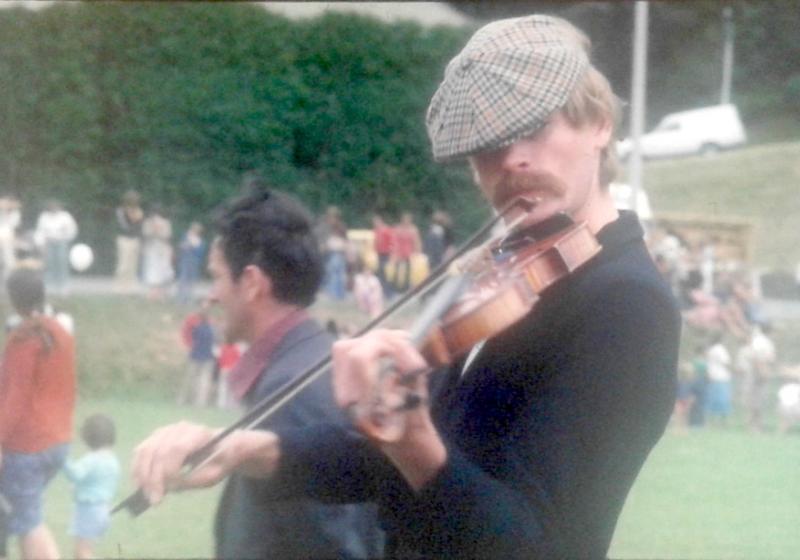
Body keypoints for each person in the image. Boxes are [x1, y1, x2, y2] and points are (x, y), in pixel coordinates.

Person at [131, 15, 680, 559]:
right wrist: (240, 448)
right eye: (489, 146)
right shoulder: (504, 274)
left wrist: (413, 442)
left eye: (536, 128)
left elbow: (538, 545)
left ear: (600, 123)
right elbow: (384, 460)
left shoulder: (627, 304)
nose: (512, 160)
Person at [154, 189, 382, 558]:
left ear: (252, 284)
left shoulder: (293, 391)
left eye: (216, 277)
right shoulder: (310, 360)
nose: (211, 295)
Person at [0, 268, 76, 560]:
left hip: (27, 446)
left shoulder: (23, 340)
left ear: (13, 299)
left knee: (28, 523)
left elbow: (15, 397)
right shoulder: (60, 333)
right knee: (26, 517)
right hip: (58, 442)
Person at [62, 414, 120, 560]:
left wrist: (62, 458)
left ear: (86, 438)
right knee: (81, 551)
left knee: (83, 553)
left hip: (88, 510)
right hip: (104, 510)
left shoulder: (91, 459)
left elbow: (75, 474)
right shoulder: (112, 460)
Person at [34, 199, 78, 296]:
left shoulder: (65, 216)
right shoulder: (44, 217)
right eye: (52, 206)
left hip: (61, 241)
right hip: (48, 242)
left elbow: (72, 229)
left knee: (62, 263)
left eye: (56, 206)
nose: (54, 208)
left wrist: (66, 237)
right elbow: (40, 231)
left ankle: (63, 286)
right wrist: (40, 244)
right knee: (49, 263)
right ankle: (49, 286)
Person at [177, 300, 216, 407]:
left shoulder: (211, 321)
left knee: (204, 380)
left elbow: (214, 336)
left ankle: (200, 402)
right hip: (195, 353)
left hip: (208, 354)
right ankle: (182, 399)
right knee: (190, 378)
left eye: (208, 307)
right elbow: (185, 333)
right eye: (204, 306)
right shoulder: (192, 319)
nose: (206, 309)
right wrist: (188, 346)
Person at [141, 205, 174, 299]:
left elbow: (167, 236)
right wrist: (153, 230)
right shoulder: (148, 222)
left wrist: (158, 230)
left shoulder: (166, 223)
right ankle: (153, 292)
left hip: (161, 248)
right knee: (152, 269)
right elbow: (146, 234)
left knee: (161, 269)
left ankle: (160, 292)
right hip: (152, 247)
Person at [114, 190, 144, 289]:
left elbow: (139, 225)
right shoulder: (121, 211)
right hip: (124, 239)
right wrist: (131, 215)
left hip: (135, 239)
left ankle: (130, 285)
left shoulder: (138, 211)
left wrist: (136, 217)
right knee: (123, 263)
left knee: (133, 264)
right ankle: (121, 285)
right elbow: (124, 226)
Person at [390, 211, 421, 293]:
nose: (406, 221)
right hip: (399, 252)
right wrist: (394, 252)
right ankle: (394, 287)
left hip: (409, 253)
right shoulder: (398, 228)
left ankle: (406, 288)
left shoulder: (413, 229)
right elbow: (394, 240)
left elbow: (416, 241)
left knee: (408, 270)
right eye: (405, 219)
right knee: (396, 270)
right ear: (402, 220)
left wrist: (417, 252)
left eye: (408, 219)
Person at [176, 221, 206, 304]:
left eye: (197, 230)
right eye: (194, 229)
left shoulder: (200, 240)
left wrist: (192, 247)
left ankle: (189, 299)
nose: (195, 231)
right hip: (185, 260)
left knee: (192, 281)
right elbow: (181, 246)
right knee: (183, 279)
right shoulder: (186, 236)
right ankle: (181, 298)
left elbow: (200, 252)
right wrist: (185, 246)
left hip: (194, 261)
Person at [371, 213, 394, 297]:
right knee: (381, 273)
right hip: (379, 253)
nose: (375, 224)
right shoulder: (376, 231)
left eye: (376, 222)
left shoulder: (386, 230)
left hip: (386, 254)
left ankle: (388, 293)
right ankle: (382, 292)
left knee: (385, 273)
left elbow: (391, 242)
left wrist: (391, 253)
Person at [0, 195, 21, 280]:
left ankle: (7, 281)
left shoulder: (16, 213)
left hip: (8, 239)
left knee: (9, 262)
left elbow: (13, 228)